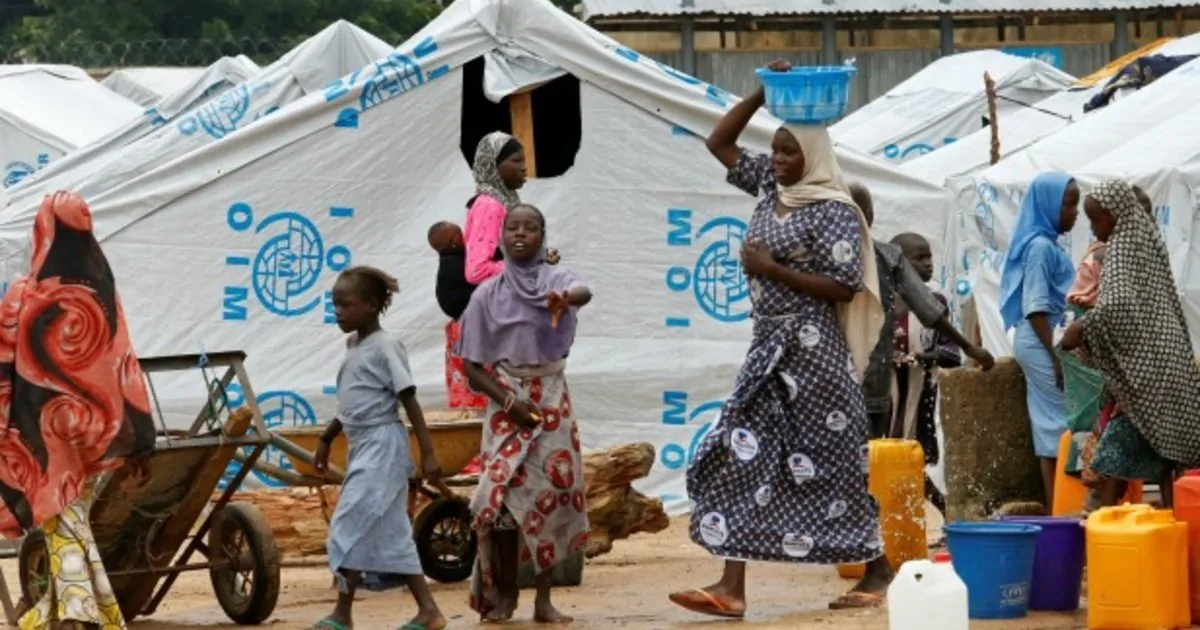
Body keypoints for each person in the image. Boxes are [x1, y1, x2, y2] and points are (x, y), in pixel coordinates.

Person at [668, 59, 892, 617]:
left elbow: (844, 286)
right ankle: (731, 588)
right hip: (768, 347)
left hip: (814, 352)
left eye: (790, 152)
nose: (778, 159)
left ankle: (878, 567)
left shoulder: (834, 210)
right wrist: (761, 92)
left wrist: (772, 269)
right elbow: (719, 142)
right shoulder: (770, 188)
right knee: (739, 449)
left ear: (812, 157)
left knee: (833, 462)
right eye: (775, 149)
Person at [0, 191, 156, 630]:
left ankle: (76, 614)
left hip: (43, 434)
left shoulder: (24, 294)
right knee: (71, 518)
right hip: (93, 431)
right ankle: (85, 608)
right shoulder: (102, 293)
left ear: (43, 232)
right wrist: (141, 440)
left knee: (61, 521)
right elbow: (123, 365)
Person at [457, 203, 591, 624]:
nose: (520, 234)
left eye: (530, 228)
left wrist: (565, 299)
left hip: (551, 397)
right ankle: (504, 595)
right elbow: (471, 366)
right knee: (499, 503)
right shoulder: (486, 295)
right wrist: (510, 404)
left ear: (542, 235)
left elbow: (583, 291)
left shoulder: (557, 279)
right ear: (500, 237)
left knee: (552, 500)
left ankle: (544, 600)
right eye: (512, 227)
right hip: (506, 400)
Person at [312, 266, 447, 630]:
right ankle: (429, 612)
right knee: (390, 532)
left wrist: (429, 452)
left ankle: (342, 613)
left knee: (348, 522)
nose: (338, 311)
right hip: (362, 445)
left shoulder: (387, 346)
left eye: (345, 304)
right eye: (334, 304)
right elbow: (353, 404)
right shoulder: (353, 345)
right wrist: (326, 437)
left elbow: (409, 400)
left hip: (383, 446)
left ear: (371, 305)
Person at [1062, 179, 1200, 509]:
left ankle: (1101, 521)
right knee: (1165, 453)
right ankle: (1176, 520)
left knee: (1114, 450)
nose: (1094, 228)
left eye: (1098, 220)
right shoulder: (1148, 242)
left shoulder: (1120, 250)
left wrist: (1081, 326)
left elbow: (1118, 306)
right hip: (1164, 362)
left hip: (1143, 375)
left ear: (1117, 215)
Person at [848, 183, 994, 441]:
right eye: (920, 258)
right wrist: (970, 347)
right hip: (864, 382)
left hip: (864, 384)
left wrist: (964, 348)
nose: (928, 264)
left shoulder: (872, 257)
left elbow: (930, 312)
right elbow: (929, 311)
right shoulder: (884, 257)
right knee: (874, 451)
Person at [998, 172, 1080, 507]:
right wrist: (1057, 355)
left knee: (1049, 422)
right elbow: (1035, 308)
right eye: (1069, 204)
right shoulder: (1040, 248)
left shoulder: (1048, 245)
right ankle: (1063, 506)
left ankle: (1058, 505)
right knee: (1060, 421)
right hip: (1041, 338)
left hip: (1043, 338)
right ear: (1048, 205)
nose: (1075, 212)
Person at [889, 232, 963, 517]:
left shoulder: (936, 303)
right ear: (898, 262)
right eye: (918, 258)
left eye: (929, 256)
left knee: (912, 456)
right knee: (884, 454)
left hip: (919, 395)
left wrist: (923, 357)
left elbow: (952, 354)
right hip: (886, 397)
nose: (928, 263)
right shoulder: (882, 301)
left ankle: (941, 511)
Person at [428, 220, 487, 410]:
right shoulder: (463, 262)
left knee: (464, 381)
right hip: (471, 329)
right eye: (460, 233)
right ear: (453, 241)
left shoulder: (447, 265)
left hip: (461, 328)